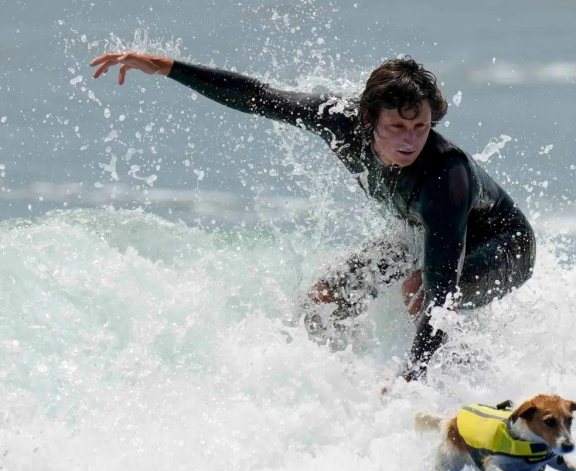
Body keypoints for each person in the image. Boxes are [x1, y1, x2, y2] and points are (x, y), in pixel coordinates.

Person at [89, 52, 535, 380]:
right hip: (426, 235)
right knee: (323, 298)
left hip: (503, 246)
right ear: (367, 120)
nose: (409, 140)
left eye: (420, 127)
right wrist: (167, 67)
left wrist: (409, 381)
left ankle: (453, 391)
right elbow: (258, 97)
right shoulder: (338, 121)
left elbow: (442, 298)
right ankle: (341, 380)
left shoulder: (446, 178)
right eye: (397, 127)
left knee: (422, 292)